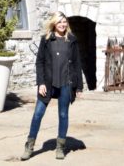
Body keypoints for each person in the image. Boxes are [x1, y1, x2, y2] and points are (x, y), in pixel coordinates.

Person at [21, 12, 83, 160]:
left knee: (63, 115)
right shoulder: (47, 40)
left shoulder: (72, 41)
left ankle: (60, 147)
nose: (63, 24)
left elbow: (77, 63)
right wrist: (41, 83)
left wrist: (78, 87)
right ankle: (29, 146)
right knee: (37, 114)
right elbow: (40, 62)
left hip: (66, 84)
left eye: (64, 22)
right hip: (48, 83)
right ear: (54, 23)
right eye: (59, 22)